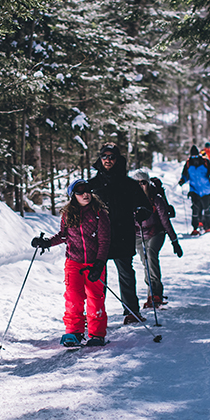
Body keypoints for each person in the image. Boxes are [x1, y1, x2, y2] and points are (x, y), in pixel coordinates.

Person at [31, 179, 111, 347]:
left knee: (95, 299)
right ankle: (74, 332)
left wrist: (99, 263)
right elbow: (63, 235)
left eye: (87, 190)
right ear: (73, 196)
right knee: (73, 298)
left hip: (94, 263)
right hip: (73, 262)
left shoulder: (99, 213)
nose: (85, 194)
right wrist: (46, 242)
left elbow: (104, 241)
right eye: (80, 192)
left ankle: (97, 334)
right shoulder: (68, 214)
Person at [87, 142, 151, 325]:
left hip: (123, 233)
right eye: (104, 156)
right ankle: (95, 313)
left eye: (112, 156)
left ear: (118, 159)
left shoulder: (129, 184)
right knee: (98, 276)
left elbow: (145, 206)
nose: (108, 160)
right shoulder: (92, 185)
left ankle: (131, 311)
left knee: (126, 273)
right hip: (99, 237)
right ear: (100, 158)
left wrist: (141, 212)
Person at [133, 171, 182, 309]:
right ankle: (152, 293)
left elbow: (165, 221)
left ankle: (156, 294)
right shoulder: (129, 199)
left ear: (148, 184)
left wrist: (174, 241)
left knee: (151, 255)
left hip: (156, 233)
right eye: (137, 183)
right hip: (138, 234)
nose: (140, 185)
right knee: (145, 262)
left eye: (143, 182)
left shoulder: (156, 199)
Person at [178, 145, 210, 236]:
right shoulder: (188, 164)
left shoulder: (205, 161)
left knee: (206, 209)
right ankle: (195, 228)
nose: (194, 157)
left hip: (206, 189)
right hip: (194, 190)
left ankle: (208, 227)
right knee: (195, 209)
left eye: (196, 155)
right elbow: (185, 175)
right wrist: (182, 180)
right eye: (193, 156)